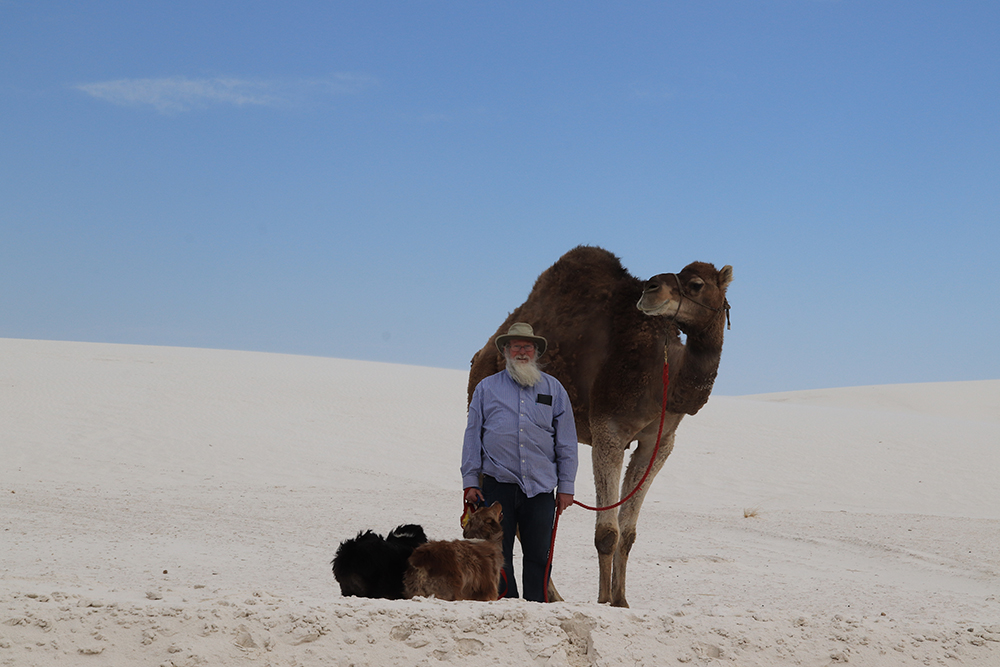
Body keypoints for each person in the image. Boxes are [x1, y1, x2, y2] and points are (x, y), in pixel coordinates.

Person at [461, 322, 579, 602]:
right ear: (505, 350)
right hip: (497, 487)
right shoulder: (486, 389)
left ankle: (537, 609)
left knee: (539, 555)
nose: (522, 351)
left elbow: (566, 442)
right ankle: (508, 610)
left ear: (536, 351)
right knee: (498, 555)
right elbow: (472, 437)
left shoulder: (555, 389)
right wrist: (469, 481)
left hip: (540, 489)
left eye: (528, 346)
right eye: (516, 346)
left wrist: (566, 487)